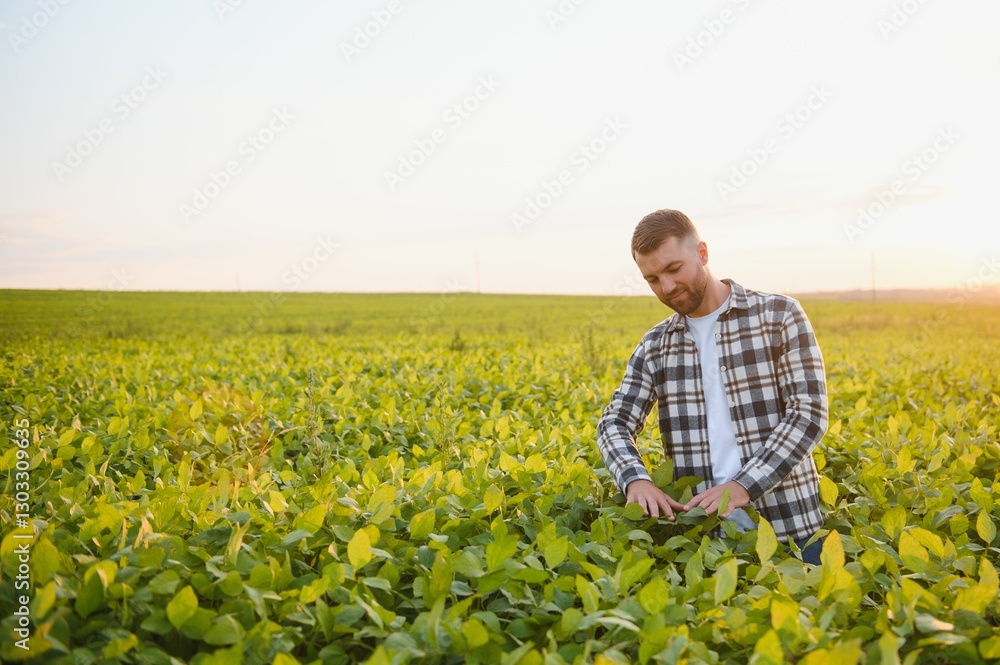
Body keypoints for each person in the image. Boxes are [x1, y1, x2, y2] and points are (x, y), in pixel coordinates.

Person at [596, 208, 828, 564]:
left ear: (702, 254)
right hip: (706, 542)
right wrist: (634, 480)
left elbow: (808, 415)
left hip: (792, 533)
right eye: (653, 279)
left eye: (674, 269)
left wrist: (742, 485)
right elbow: (614, 423)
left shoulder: (779, 315)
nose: (667, 287)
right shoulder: (656, 344)